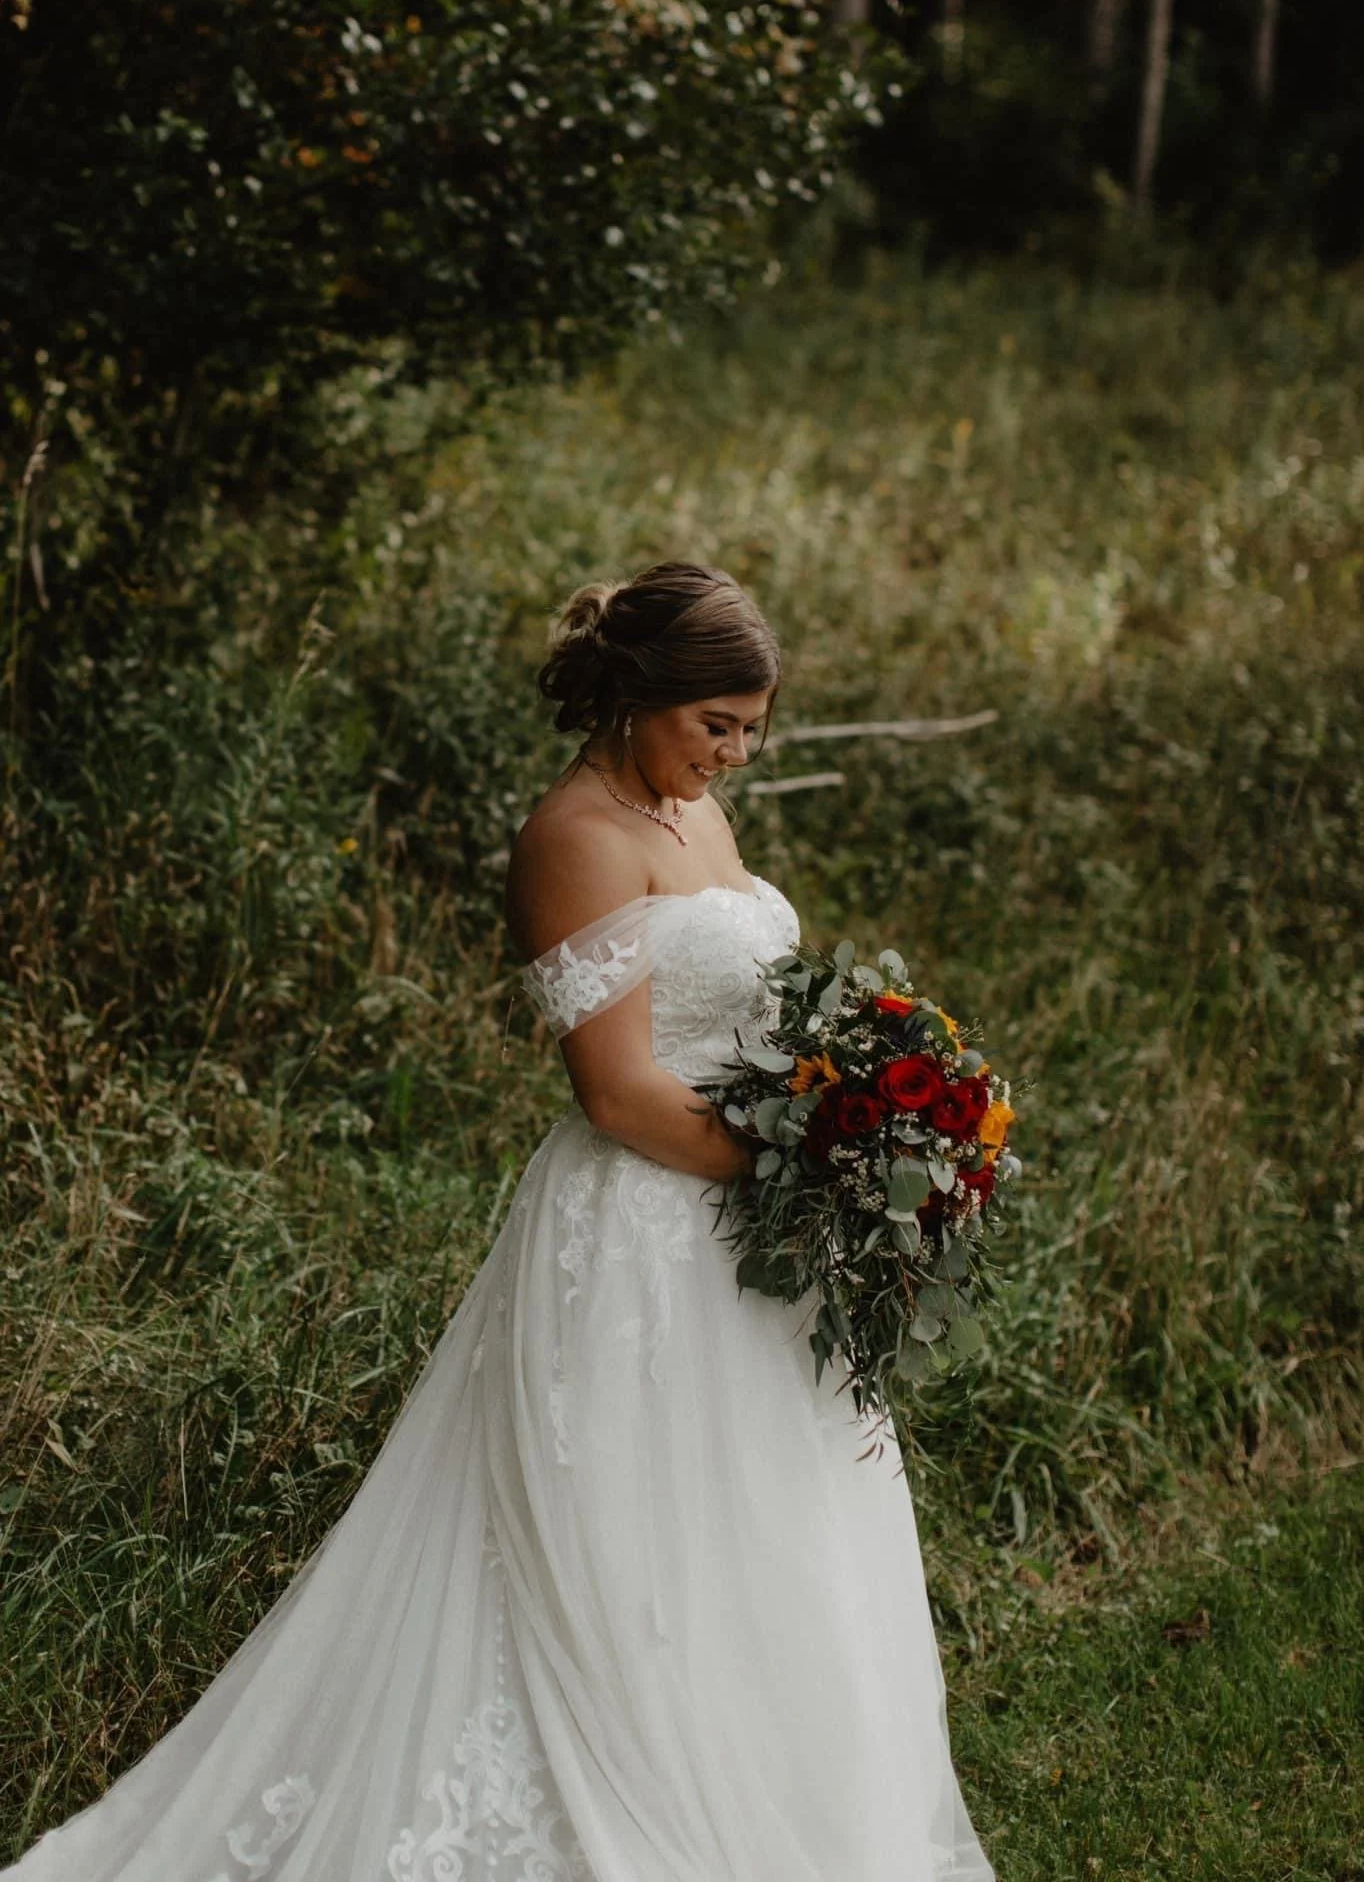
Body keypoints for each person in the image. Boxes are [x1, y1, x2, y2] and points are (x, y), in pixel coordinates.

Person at [4, 562, 994, 1882]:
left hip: (753, 1230)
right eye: (717, 723)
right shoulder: (574, 836)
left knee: (773, 1538)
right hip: (645, 1231)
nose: (737, 754)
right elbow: (618, 1087)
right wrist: (793, 1178)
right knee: (624, 1553)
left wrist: (858, 1108)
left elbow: (750, 1009)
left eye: (754, 727)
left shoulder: (694, 810)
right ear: (639, 697)